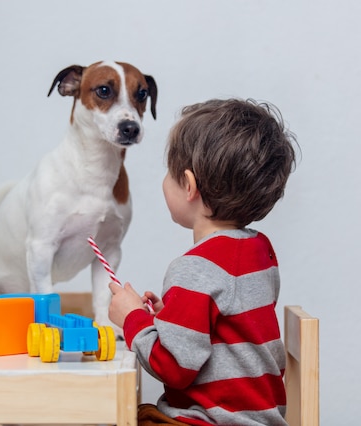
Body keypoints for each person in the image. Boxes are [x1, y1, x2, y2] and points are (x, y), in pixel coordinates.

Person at [108, 98, 297, 426]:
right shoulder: (259, 249)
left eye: (169, 172)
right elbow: (231, 323)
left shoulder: (195, 268)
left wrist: (132, 319)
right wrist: (169, 316)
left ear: (189, 186)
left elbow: (174, 368)